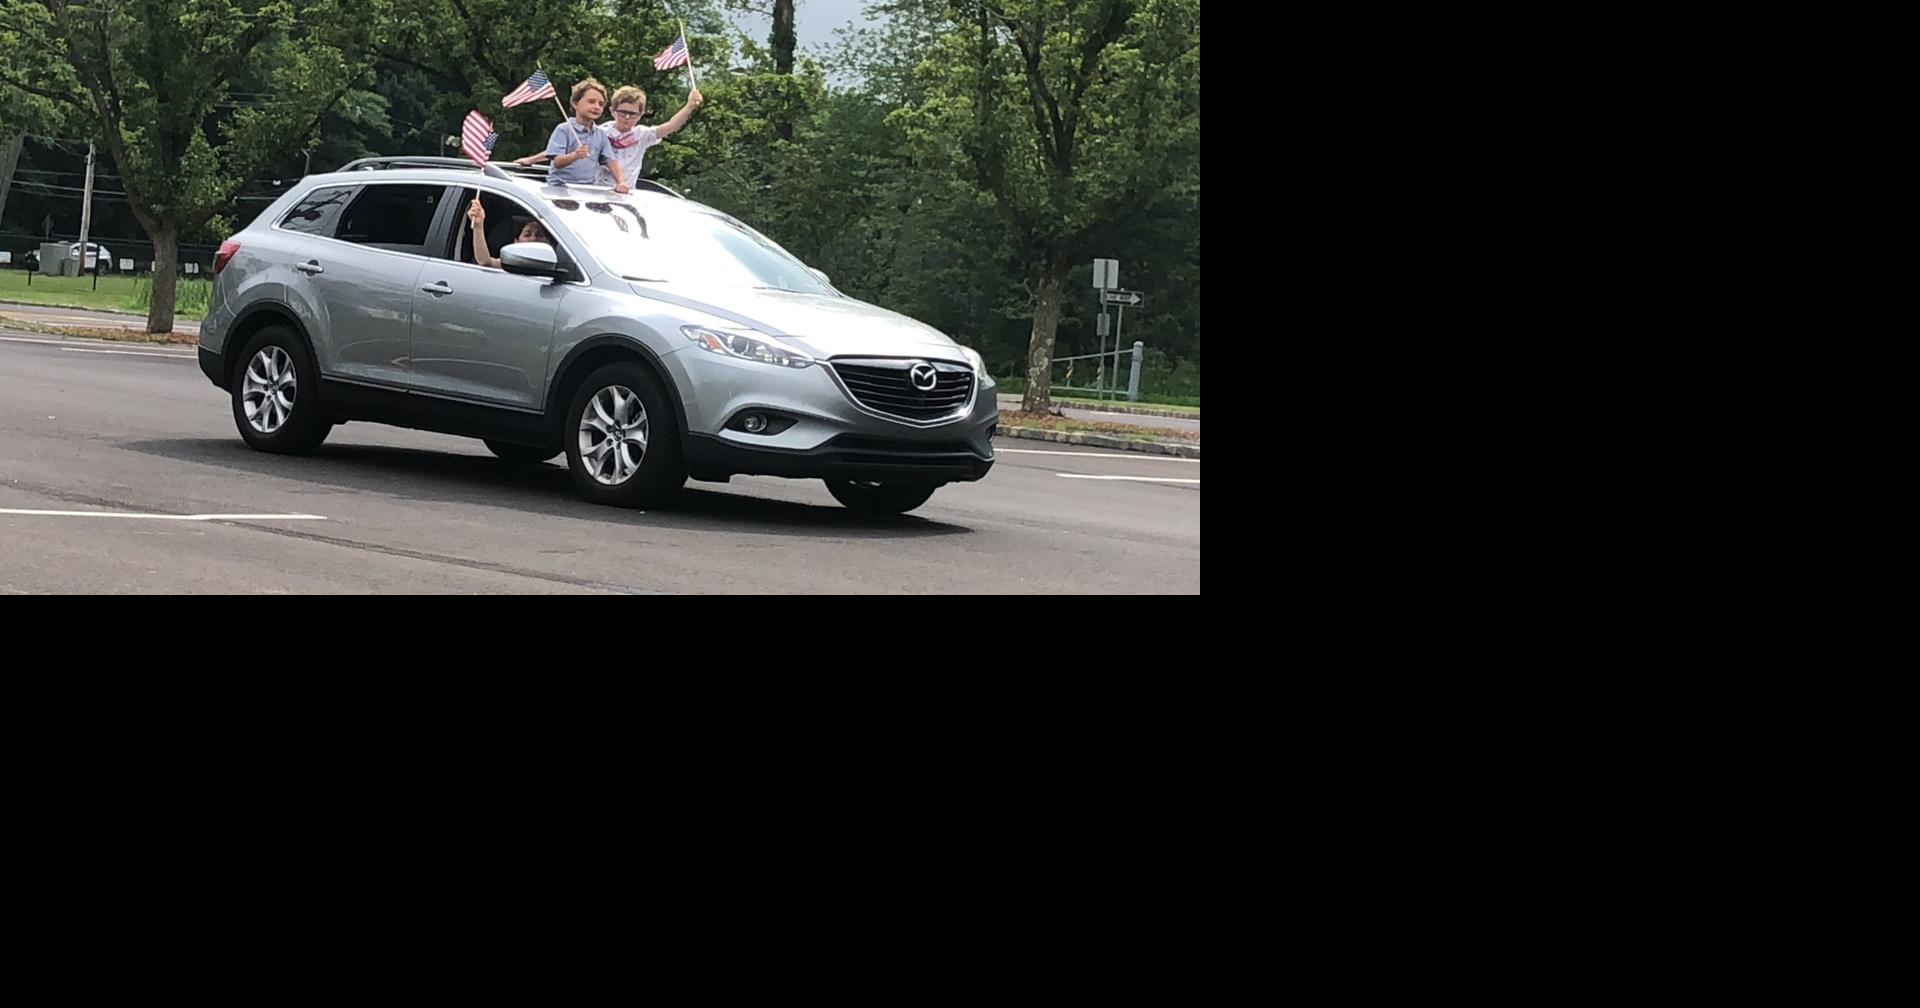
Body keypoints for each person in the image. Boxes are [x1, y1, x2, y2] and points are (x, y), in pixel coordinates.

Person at [597, 85, 703, 188]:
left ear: (640, 115)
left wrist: (689, 106)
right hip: (599, 189)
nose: (627, 117)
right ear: (612, 111)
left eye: (632, 114)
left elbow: (670, 126)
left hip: (625, 192)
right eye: (622, 112)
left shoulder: (641, 134)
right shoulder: (600, 132)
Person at [544, 77, 629, 192]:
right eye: (591, 101)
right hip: (560, 188)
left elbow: (611, 160)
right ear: (575, 104)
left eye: (601, 104)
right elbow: (557, 162)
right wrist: (575, 155)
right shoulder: (563, 130)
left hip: (588, 188)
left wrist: (621, 182)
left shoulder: (600, 134)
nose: (596, 107)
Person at [467, 198, 550, 269]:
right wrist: (478, 226)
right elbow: (484, 261)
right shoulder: (514, 263)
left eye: (540, 235)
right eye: (527, 235)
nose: (533, 238)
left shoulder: (560, 264)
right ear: (516, 241)